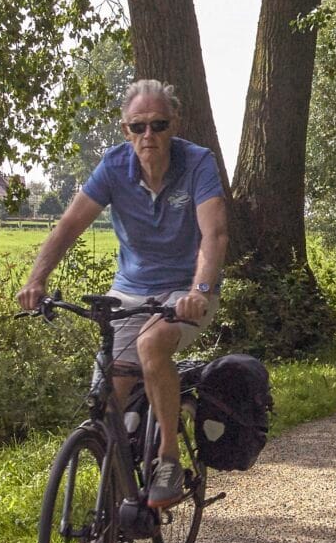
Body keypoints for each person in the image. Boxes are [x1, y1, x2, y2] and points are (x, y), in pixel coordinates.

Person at [17, 79, 228, 508]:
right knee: (107, 402)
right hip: (129, 293)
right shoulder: (114, 168)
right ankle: (112, 509)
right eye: (138, 126)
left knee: (152, 345)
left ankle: (168, 456)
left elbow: (215, 233)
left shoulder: (197, 163)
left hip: (185, 291)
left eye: (158, 124)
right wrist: (37, 279)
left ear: (174, 125)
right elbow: (69, 227)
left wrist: (200, 290)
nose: (148, 135)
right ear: (125, 130)